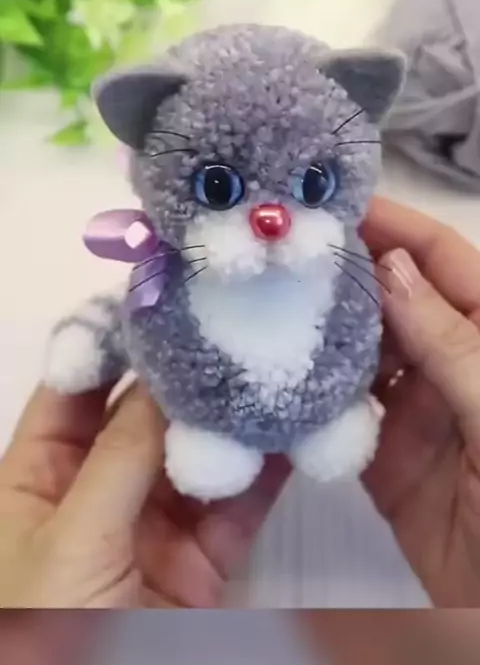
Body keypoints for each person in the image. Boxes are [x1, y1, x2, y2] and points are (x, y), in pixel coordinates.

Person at [1, 196, 480, 609]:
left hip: (326, 410)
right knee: (205, 458)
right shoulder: (172, 269)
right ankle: (215, 439)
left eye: (312, 184)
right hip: (208, 423)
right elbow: (126, 311)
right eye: (218, 187)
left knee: (337, 432)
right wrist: (93, 339)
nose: (270, 218)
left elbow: (373, 325)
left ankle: (327, 424)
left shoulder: (346, 264)